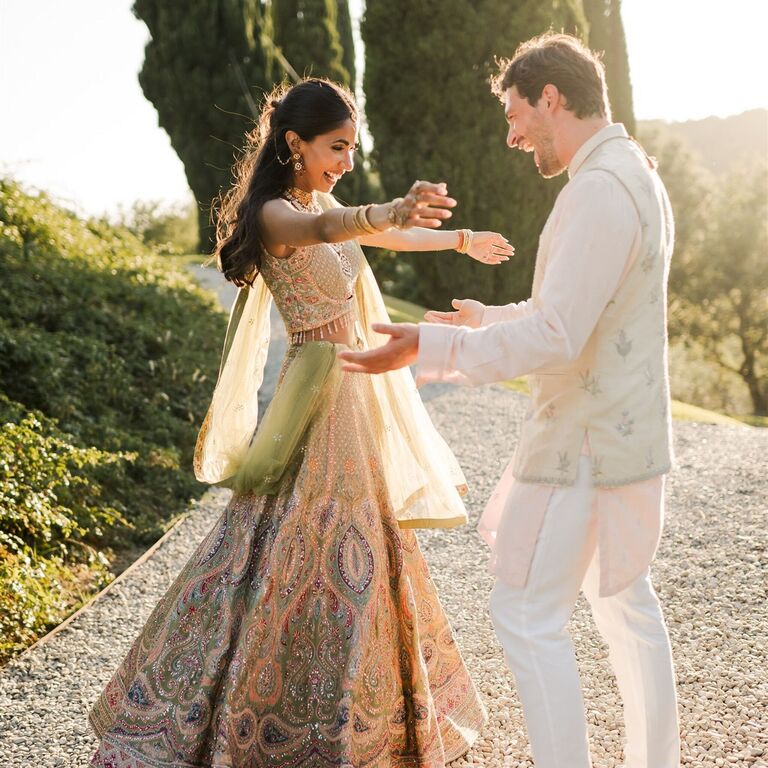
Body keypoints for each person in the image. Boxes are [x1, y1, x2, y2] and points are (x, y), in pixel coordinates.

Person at [87, 77, 514, 767]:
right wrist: (382, 208)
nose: (346, 159)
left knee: (359, 545)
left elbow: (378, 237)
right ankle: (229, 708)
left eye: (352, 146)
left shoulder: (319, 196)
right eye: (336, 146)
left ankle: (365, 711)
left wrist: (460, 239)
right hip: (313, 394)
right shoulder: (276, 215)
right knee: (272, 544)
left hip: (352, 394)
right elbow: (328, 230)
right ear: (295, 143)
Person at [339, 34, 681, 768]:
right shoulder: (634, 174)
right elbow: (578, 312)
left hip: (586, 439)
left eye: (516, 112)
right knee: (626, 606)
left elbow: (559, 334)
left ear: (551, 98)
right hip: (622, 432)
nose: (512, 134)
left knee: (525, 614)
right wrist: (488, 321)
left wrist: (427, 349)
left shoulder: (597, 189)